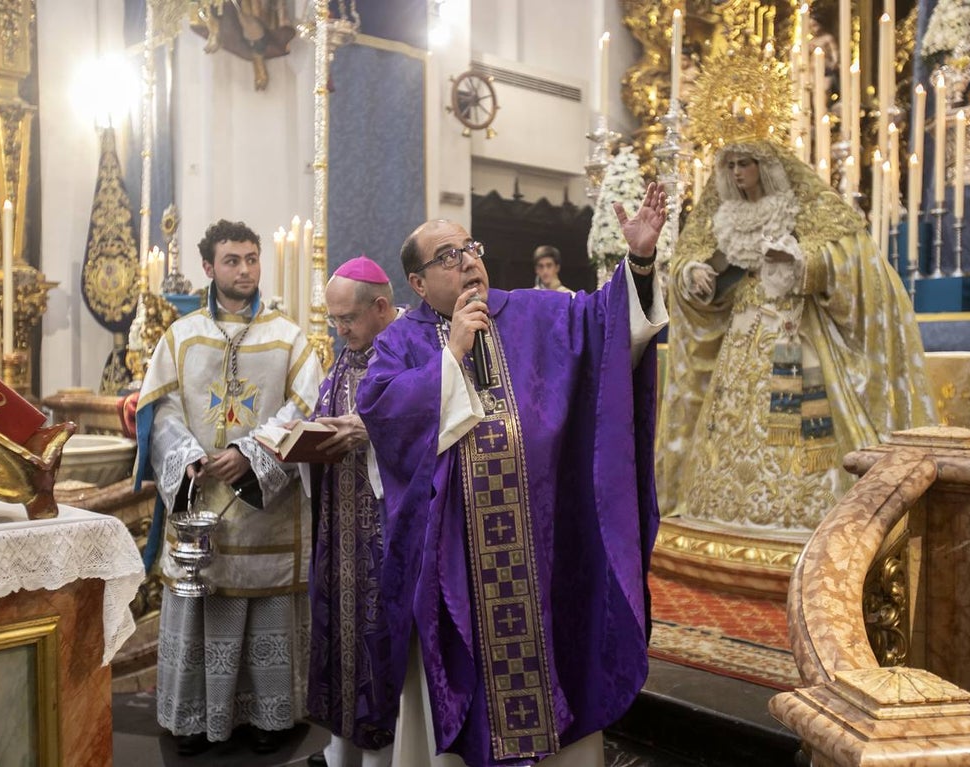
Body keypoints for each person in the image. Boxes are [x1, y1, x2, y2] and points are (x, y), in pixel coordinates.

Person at [358, 183, 670, 767]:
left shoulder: (535, 310)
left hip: (545, 553)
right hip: (457, 566)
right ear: (419, 285)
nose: (468, 259)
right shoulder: (401, 342)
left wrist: (642, 263)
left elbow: (608, 330)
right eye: (447, 256)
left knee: (558, 660)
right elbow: (383, 414)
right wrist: (451, 354)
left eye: (469, 247)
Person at [657, 139, 935, 532]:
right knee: (733, 419)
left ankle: (807, 512)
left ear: (765, 166)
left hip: (793, 329)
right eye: (731, 165)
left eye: (745, 163)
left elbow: (851, 258)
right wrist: (692, 274)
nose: (737, 173)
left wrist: (803, 263)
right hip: (742, 332)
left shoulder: (803, 206)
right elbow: (694, 258)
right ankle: (721, 506)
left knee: (799, 420)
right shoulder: (723, 214)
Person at [134, 219, 323, 756]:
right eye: (233, 260)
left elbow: (306, 408)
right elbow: (160, 411)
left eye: (251, 258)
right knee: (204, 603)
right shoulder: (181, 336)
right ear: (209, 268)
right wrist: (188, 459)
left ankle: (271, 717)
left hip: (268, 508)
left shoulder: (289, 339)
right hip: (202, 506)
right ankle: (196, 719)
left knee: (266, 607)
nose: (245, 269)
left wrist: (250, 453)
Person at [304, 256, 401, 767]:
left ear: (381, 306)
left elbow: (436, 424)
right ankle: (342, 751)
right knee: (342, 639)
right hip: (340, 526)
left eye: (348, 319)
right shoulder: (345, 355)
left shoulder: (413, 348)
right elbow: (326, 414)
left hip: (388, 530)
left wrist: (373, 431)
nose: (340, 331)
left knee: (380, 640)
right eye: (333, 321)